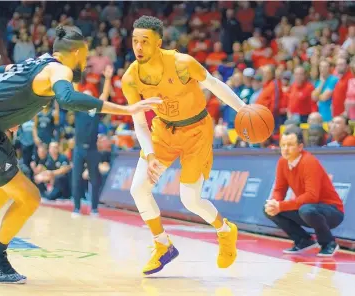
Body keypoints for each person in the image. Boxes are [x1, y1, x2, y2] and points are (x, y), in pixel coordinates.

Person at [0, 25, 161, 284]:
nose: (86, 61)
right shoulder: (60, 70)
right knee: (29, 198)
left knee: (8, 185)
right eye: (85, 55)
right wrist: (127, 110)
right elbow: (68, 98)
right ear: (78, 52)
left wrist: (5, 111)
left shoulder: (35, 62)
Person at [121, 16, 246, 275]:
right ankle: (163, 245)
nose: (139, 47)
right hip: (163, 130)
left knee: (190, 199)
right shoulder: (130, 78)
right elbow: (139, 123)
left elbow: (214, 85)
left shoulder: (182, 63)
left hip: (196, 131)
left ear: (159, 43)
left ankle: (225, 230)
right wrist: (151, 154)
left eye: (145, 41)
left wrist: (243, 110)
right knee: (138, 188)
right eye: (135, 41)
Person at [264, 126, 344, 256]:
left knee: (306, 209)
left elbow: (312, 197)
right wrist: (274, 203)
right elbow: (279, 189)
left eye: (290, 145)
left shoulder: (309, 162)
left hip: (333, 211)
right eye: (283, 145)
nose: (285, 149)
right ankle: (303, 240)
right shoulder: (282, 162)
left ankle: (328, 243)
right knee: (269, 209)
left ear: (300, 147)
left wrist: (281, 205)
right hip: (308, 208)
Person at [71, 65, 113, 217]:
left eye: (89, 94)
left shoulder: (96, 110)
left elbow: (105, 95)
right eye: (84, 94)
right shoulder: (78, 108)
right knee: (76, 179)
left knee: (94, 179)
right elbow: (74, 91)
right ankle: (76, 208)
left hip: (92, 149)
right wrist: (75, 74)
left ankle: (94, 208)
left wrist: (107, 78)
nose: (86, 95)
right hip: (78, 148)